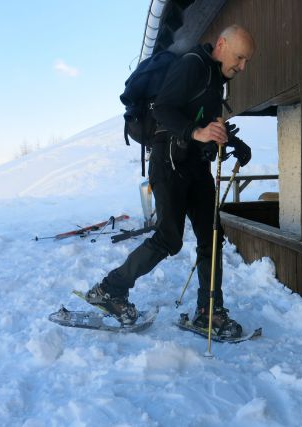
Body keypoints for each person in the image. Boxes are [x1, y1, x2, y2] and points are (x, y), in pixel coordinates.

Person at [85, 25, 255, 338]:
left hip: (194, 165)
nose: (242, 66)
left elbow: (206, 124)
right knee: (169, 238)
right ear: (222, 44)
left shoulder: (216, 81)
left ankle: (209, 311)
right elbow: (162, 109)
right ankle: (109, 290)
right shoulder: (192, 65)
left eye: (246, 61)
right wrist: (197, 132)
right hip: (169, 163)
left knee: (212, 238)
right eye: (240, 57)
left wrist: (230, 141)